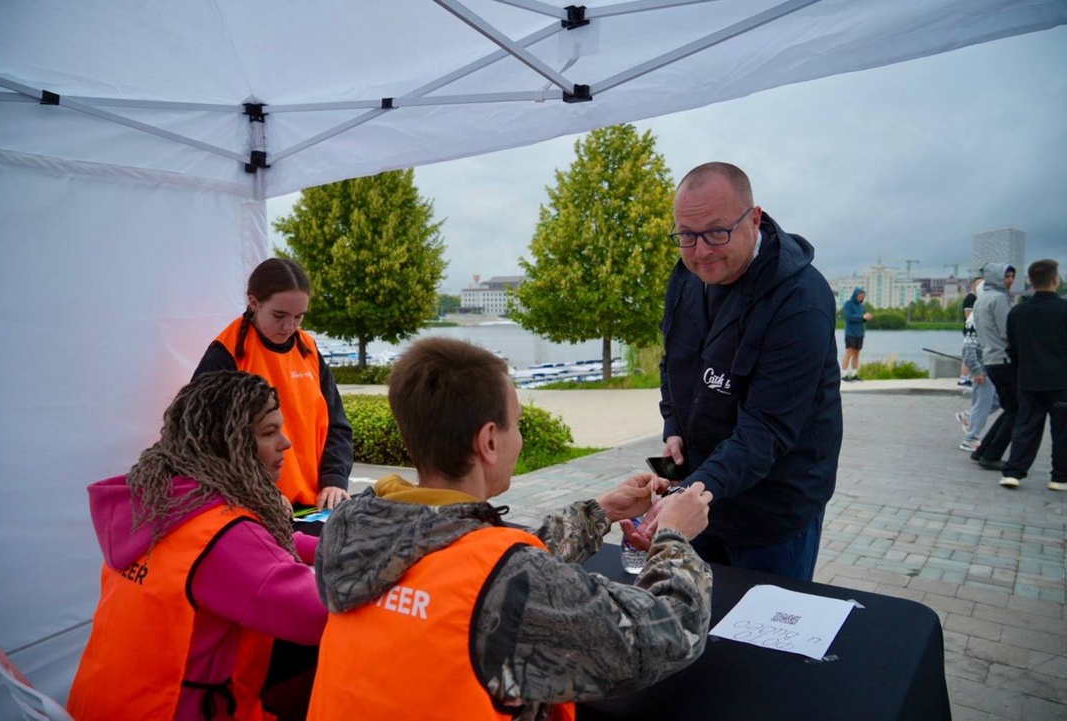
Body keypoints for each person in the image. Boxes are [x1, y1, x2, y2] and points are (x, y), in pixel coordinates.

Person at [307, 338, 713, 720]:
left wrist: (599, 513)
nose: (518, 438)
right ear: (488, 441)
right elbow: (669, 634)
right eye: (515, 424)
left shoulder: (354, 528)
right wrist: (675, 536)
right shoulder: (511, 582)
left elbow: (463, 570)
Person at [68, 371, 328, 721]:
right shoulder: (223, 536)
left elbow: (265, 546)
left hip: (99, 704)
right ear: (226, 443)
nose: (286, 443)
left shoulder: (158, 505)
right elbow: (322, 614)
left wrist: (333, 546)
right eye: (269, 432)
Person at [654, 162, 842, 582]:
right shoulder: (686, 277)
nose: (701, 251)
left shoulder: (801, 300)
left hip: (773, 508)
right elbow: (674, 363)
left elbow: (767, 428)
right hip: (705, 494)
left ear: (754, 219)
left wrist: (686, 494)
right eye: (686, 235)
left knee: (763, 635)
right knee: (697, 621)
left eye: (717, 233)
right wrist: (673, 427)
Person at [194, 257, 352, 511]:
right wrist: (258, 492)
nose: (289, 327)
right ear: (254, 303)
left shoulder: (309, 349)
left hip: (315, 506)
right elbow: (202, 441)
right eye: (279, 315)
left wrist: (334, 480)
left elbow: (337, 426)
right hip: (256, 509)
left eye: (299, 317)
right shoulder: (225, 355)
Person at [1000, 259, 1067, 491]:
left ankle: (1013, 472)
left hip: (1028, 379)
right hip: (1061, 380)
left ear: (1030, 281)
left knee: (1026, 426)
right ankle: (1059, 477)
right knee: (1062, 430)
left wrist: (1020, 371)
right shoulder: (1064, 310)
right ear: (1055, 280)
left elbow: (1012, 347)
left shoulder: (1018, 312)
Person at [969, 263, 1017, 471]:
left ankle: (983, 451)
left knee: (1010, 408)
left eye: (1012, 276)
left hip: (990, 360)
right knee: (1017, 409)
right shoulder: (998, 299)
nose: (1010, 280)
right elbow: (1008, 332)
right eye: (1007, 276)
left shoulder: (982, 300)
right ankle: (991, 455)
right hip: (1004, 359)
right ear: (997, 277)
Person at [957, 280, 1000, 452]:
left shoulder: (984, 313)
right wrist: (976, 369)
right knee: (983, 403)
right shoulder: (977, 316)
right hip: (983, 368)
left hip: (989, 366)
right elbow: (968, 346)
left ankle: (969, 417)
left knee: (999, 400)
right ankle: (971, 438)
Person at [841, 287, 873, 381]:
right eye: (859, 296)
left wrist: (866, 317)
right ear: (855, 295)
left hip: (860, 333)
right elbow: (849, 317)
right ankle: (844, 374)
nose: (860, 298)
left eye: (862, 297)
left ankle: (854, 374)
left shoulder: (862, 306)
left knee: (857, 354)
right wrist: (862, 316)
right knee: (849, 352)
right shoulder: (848, 304)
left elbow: (862, 319)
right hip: (850, 333)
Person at [957, 277, 982, 386]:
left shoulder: (978, 298)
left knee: (974, 354)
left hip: (974, 331)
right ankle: (964, 378)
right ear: (973, 286)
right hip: (971, 331)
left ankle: (969, 376)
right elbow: (968, 316)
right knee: (969, 353)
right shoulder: (971, 298)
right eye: (979, 284)